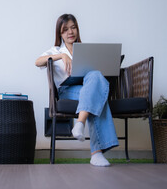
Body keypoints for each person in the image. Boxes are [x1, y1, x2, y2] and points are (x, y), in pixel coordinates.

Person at [35, 14, 118, 167]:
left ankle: (80, 122)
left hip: (88, 86)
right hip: (67, 90)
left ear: (77, 29)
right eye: (65, 29)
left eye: (73, 27)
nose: (70, 32)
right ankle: (96, 153)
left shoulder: (86, 50)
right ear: (60, 33)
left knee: (95, 76)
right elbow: (37, 62)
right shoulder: (55, 50)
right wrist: (61, 56)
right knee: (96, 96)